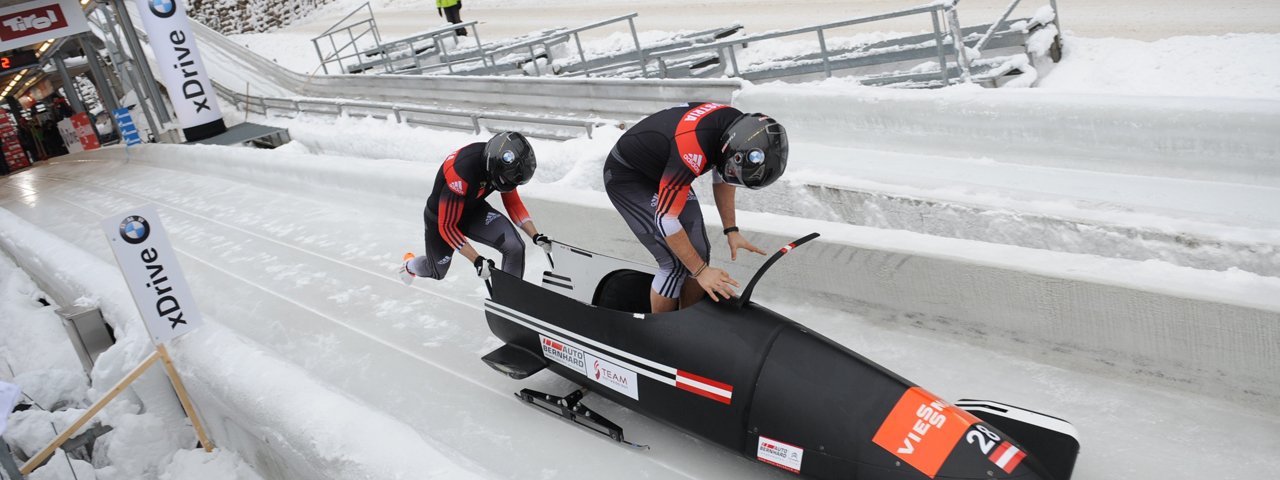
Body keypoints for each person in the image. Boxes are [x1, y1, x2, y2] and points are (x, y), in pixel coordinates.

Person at [603, 102, 788, 313]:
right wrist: (701, 272)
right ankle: (664, 333)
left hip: (664, 167)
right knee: (674, 264)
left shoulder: (738, 129)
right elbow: (665, 219)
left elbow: (723, 178)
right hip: (629, 177)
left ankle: (688, 318)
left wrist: (731, 230)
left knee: (700, 252)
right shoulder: (692, 149)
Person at [400, 131, 551, 284]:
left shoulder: (503, 165)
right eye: (507, 180)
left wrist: (535, 235)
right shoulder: (461, 171)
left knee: (515, 246)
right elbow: (447, 226)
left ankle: (510, 298)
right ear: (493, 168)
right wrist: (477, 259)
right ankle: (409, 265)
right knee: (436, 271)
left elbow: (513, 203)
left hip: (473, 210)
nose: (510, 185)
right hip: (440, 219)